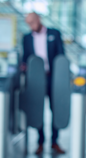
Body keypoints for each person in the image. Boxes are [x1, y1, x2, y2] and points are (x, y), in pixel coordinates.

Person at [22, 12, 66, 155]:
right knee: (37, 109)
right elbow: (25, 58)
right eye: (29, 23)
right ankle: (40, 142)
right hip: (36, 79)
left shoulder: (55, 34)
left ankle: (55, 141)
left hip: (53, 77)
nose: (31, 25)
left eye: (33, 22)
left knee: (56, 109)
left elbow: (61, 55)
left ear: (39, 19)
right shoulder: (27, 38)